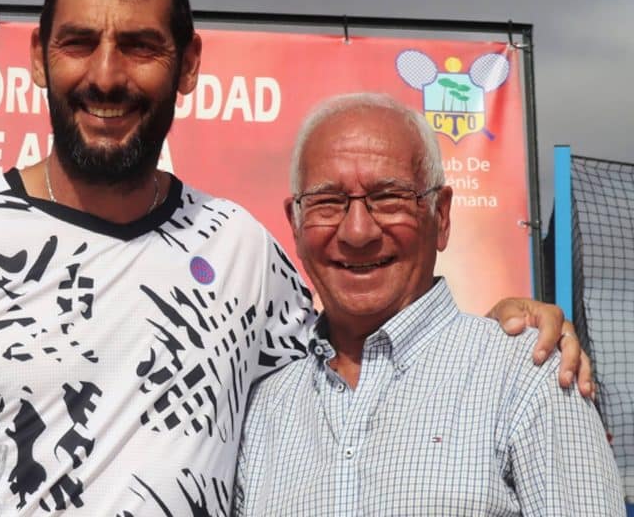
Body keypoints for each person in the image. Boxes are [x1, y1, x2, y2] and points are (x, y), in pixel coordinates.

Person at [0, 0, 589, 517]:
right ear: (38, 55)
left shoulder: (242, 253)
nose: (106, 76)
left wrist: (503, 327)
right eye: (78, 43)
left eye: (139, 46)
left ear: (188, 65)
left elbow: (368, 346)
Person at [233, 92, 624, 516]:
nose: (358, 232)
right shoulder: (260, 411)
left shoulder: (529, 379)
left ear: (441, 216)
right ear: (295, 222)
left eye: (388, 198)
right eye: (328, 202)